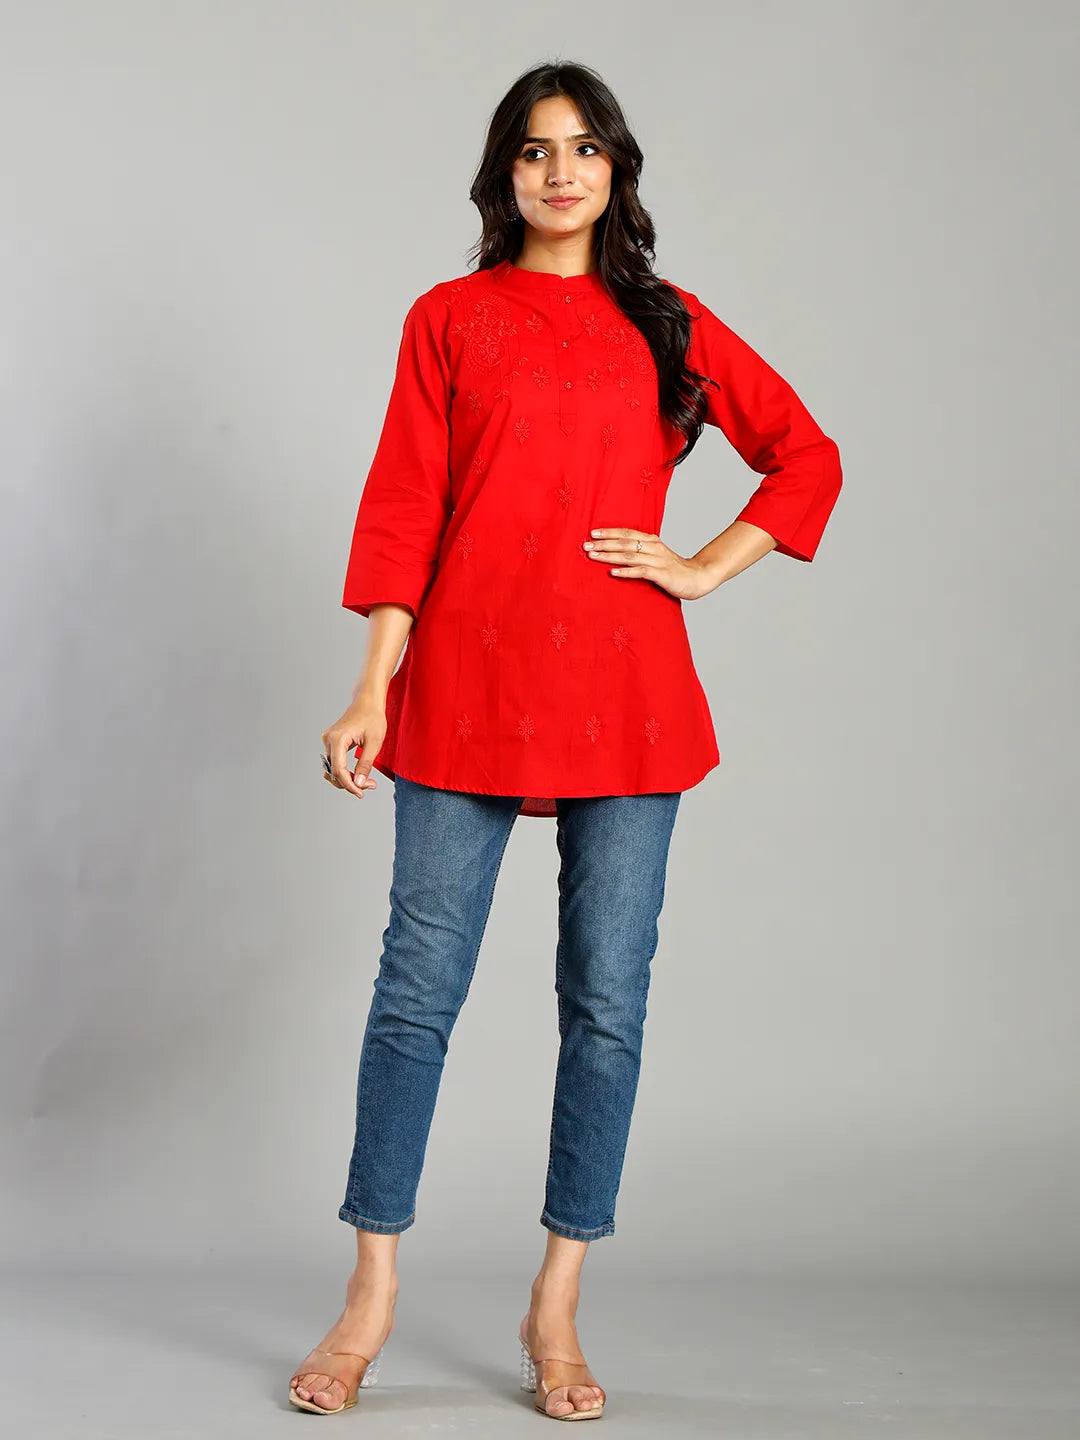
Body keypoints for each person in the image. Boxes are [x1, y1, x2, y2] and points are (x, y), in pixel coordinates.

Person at [290, 59, 842, 1419]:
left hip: (626, 699)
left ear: (616, 172)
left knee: (606, 1004)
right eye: (537, 150)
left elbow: (807, 454)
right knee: (416, 994)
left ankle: (557, 1300)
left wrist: (700, 567)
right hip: (462, 688)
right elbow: (405, 505)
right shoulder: (449, 318)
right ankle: (370, 1291)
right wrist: (371, 689)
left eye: (585, 148)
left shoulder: (668, 324)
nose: (561, 172)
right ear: (506, 174)